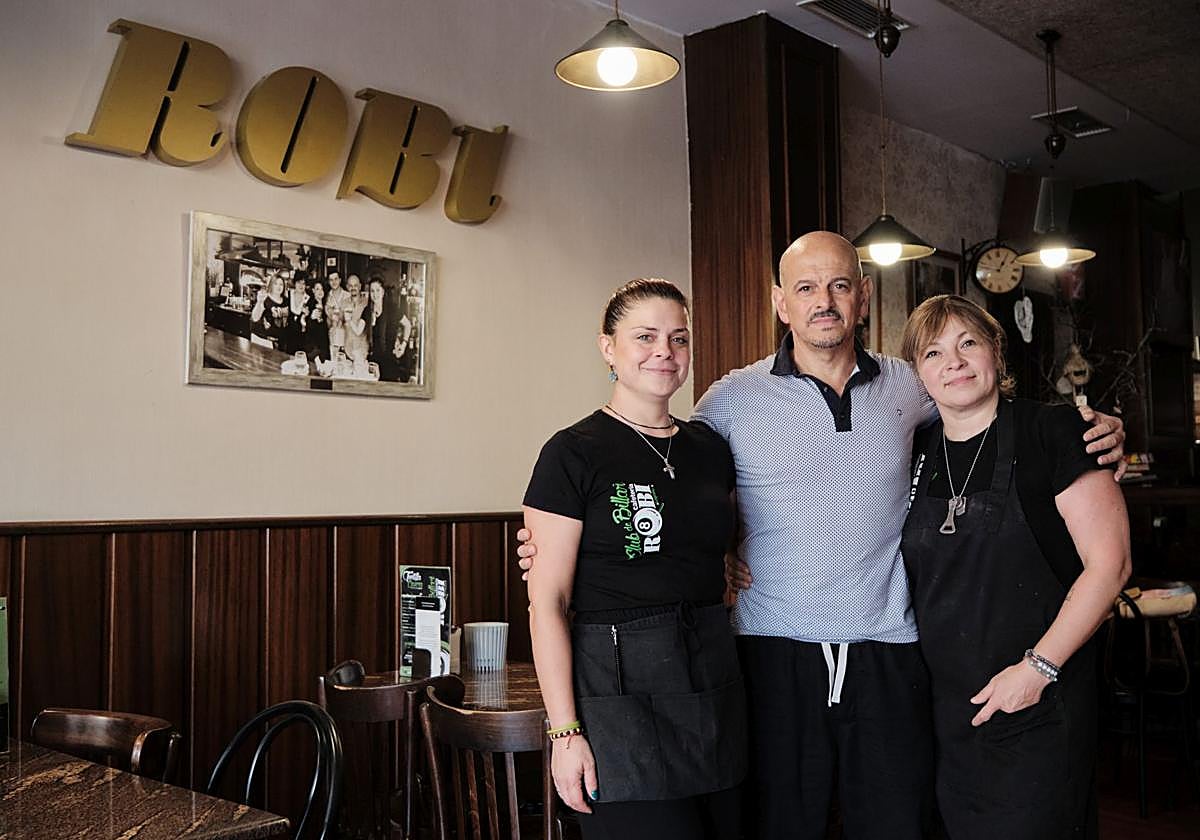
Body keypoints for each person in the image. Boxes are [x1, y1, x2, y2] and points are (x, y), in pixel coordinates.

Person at [521, 231, 1125, 840]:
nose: (824, 301)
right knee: (779, 824)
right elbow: (668, 474)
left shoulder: (911, 384)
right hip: (770, 650)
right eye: (806, 288)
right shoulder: (731, 399)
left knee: (897, 824)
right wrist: (557, 549)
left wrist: (1094, 431)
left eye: (839, 285)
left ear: (862, 297)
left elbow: (980, 409)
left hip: (888, 647)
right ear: (782, 303)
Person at [898, 295, 1129, 838]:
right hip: (948, 712)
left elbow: (1110, 565)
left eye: (967, 343)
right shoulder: (914, 451)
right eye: (933, 353)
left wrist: (1037, 670)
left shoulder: (1055, 432)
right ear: (918, 375)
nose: (952, 362)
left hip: (1039, 703)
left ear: (996, 352)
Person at [523, 279, 746, 840]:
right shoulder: (571, 452)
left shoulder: (711, 448)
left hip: (712, 681)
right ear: (608, 348)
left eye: (678, 338)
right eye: (644, 336)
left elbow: (725, 548)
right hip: (616, 692)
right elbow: (546, 603)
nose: (664, 353)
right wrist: (565, 734)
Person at [365, 277, 406, 381]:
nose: (375, 294)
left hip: (389, 360)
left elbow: (408, 325)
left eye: (378, 290)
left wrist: (403, 344)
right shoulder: (368, 311)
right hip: (373, 361)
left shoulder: (392, 309)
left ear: (383, 292)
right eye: (372, 291)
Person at [249, 273, 290, 349]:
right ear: (271, 285)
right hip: (264, 342)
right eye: (275, 284)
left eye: (281, 284)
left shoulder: (287, 301)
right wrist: (259, 302)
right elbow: (255, 318)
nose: (278, 286)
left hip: (280, 343)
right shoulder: (265, 298)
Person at [342, 273, 370, 364]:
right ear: (347, 287)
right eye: (350, 285)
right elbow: (340, 323)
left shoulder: (366, 303)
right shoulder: (343, 303)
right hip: (347, 349)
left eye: (355, 285)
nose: (353, 288)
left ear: (360, 286)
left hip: (362, 350)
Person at [302, 278, 330, 365]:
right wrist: (311, 318)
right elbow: (306, 326)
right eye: (317, 289)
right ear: (313, 291)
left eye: (321, 289)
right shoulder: (310, 304)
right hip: (314, 346)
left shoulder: (325, 303)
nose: (320, 291)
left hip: (324, 344)